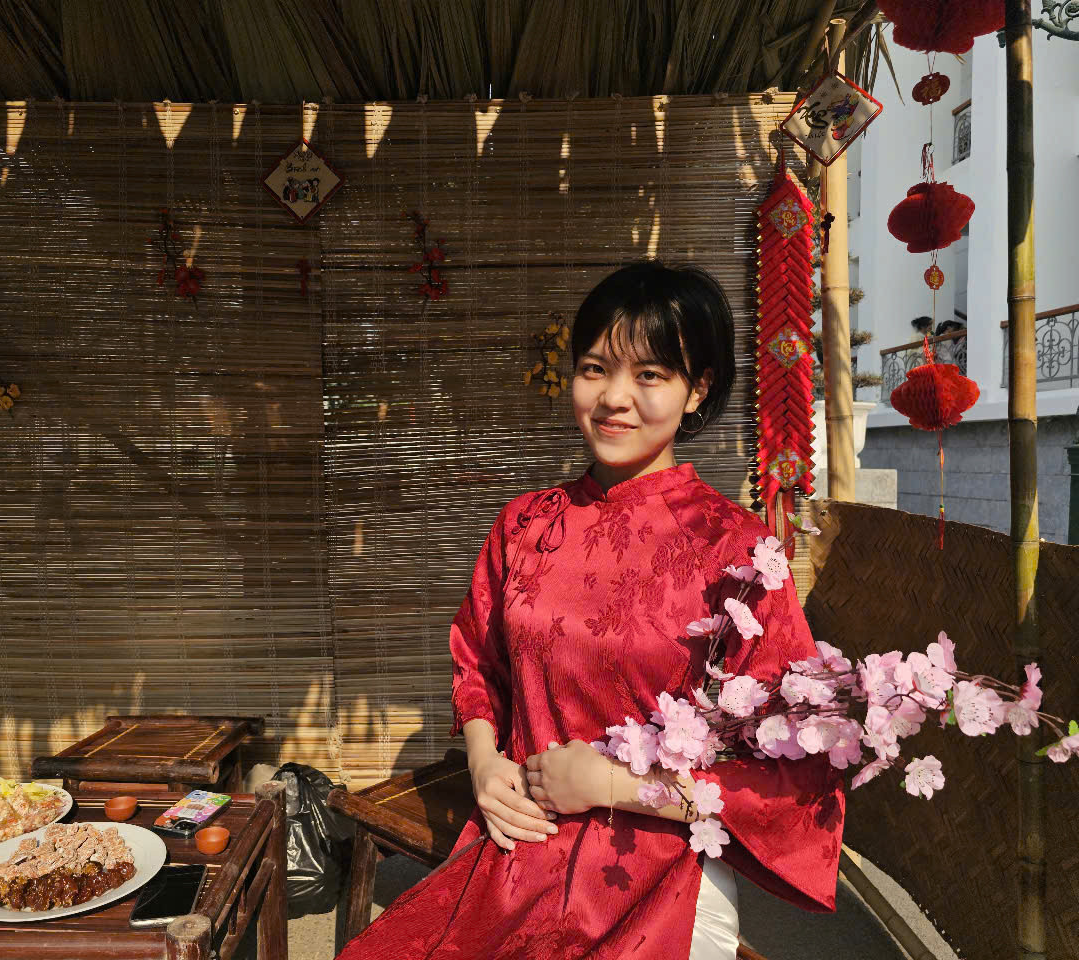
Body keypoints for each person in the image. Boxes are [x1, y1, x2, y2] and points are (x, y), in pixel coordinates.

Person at [336, 261, 845, 960]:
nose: (613, 398)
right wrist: (484, 764)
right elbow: (477, 662)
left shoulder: (736, 550)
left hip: (658, 861)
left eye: (650, 375)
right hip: (520, 843)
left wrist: (615, 784)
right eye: (595, 368)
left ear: (698, 389)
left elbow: (795, 769)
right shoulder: (524, 525)